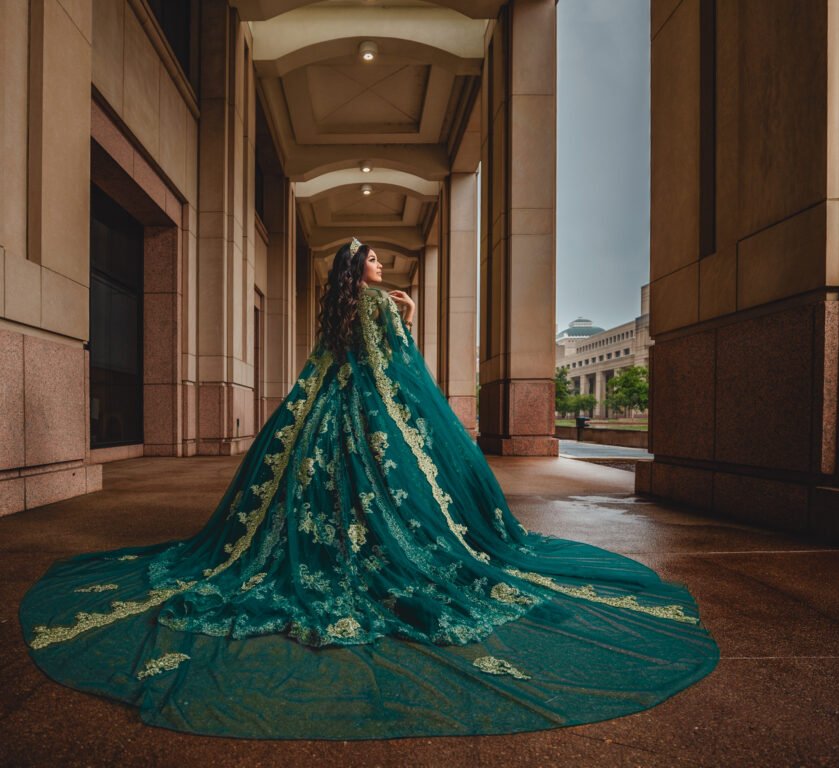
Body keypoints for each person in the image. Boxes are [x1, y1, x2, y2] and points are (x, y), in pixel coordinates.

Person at [19, 238, 719, 740]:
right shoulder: (381, 304)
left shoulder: (339, 311)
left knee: (315, 496)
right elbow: (399, 370)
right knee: (396, 492)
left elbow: (332, 366)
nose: (382, 265)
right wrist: (408, 319)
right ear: (362, 270)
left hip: (328, 416)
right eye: (375, 260)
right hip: (373, 416)